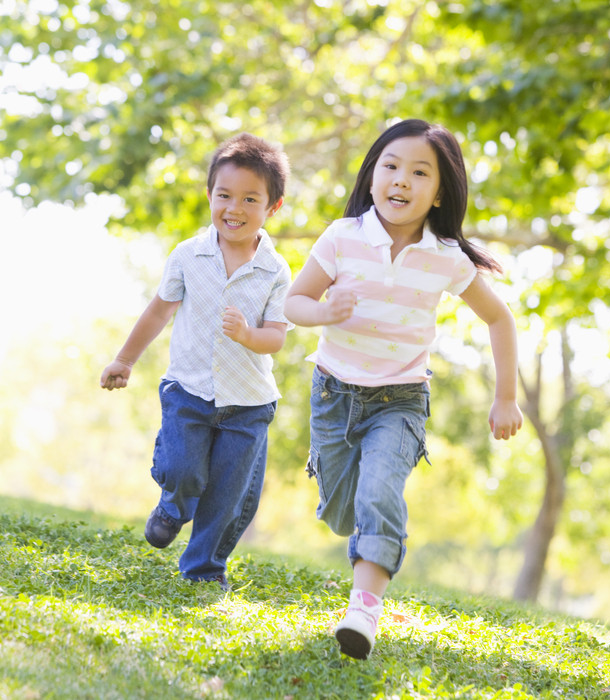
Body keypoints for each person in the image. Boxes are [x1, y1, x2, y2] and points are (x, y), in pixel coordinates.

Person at [284, 118, 523, 658]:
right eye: (391, 166)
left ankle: (363, 612)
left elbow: (500, 320)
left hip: (401, 400)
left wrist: (505, 396)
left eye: (420, 173)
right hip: (334, 395)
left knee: (380, 493)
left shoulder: (446, 258)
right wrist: (324, 312)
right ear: (372, 175)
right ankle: (350, 517)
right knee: (343, 513)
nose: (401, 180)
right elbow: (292, 303)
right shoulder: (342, 238)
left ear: (440, 193)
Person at [100, 133, 292, 591]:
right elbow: (159, 310)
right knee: (183, 470)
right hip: (188, 390)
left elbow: (276, 338)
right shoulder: (188, 255)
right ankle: (172, 505)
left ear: (273, 207)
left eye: (250, 199)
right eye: (224, 195)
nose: (235, 208)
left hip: (247, 403)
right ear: (210, 196)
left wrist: (248, 335)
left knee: (226, 496)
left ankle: (204, 570)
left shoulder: (276, 271)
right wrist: (124, 360)